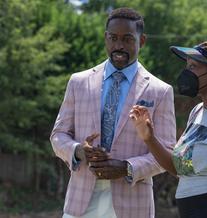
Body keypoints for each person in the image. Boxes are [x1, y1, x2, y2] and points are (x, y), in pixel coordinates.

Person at [50, 7, 176, 218]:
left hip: (133, 204)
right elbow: (58, 135)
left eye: (127, 39)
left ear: (141, 40)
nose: (119, 46)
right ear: (105, 38)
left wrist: (126, 167)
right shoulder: (79, 82)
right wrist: (79, 151)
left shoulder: (160, 91)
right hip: (80, 201)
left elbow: (167, 152)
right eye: (113, 38)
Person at [130, 40, 207, 218]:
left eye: (194, 66)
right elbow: (180, 169)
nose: (186, 72)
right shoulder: (197, 112)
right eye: (187, 66)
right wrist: (149, 138)